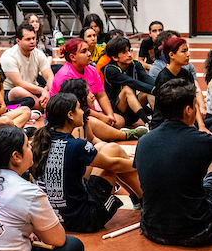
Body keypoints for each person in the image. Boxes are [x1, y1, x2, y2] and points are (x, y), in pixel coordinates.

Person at [135, 79, 212, 247]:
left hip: (152, 229)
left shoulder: (143, 141)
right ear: (188, 110)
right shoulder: (205, 141)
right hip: (199, 230)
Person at [32, 93, 140, 233]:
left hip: (53, 218)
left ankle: (139, 197)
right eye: (79, 108)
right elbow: (113, 165)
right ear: (70, 115)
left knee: (102, 149)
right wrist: (140, 162)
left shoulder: (39, 141)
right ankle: (145, 197)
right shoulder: (76, 145)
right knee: (112, 150)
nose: (83, 112)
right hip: (83, 220)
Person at [51, 38, 135, 137]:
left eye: (88, 50)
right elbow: (75, 108)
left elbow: (101, 95)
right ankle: (125, 136)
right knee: (88, 121)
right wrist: (101, 117)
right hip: (68, 117)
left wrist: (110, 115)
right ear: (72, 57)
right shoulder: (65, 76)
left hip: (89, 113)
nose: (89, 54)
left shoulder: (92, 70)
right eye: (84, 51)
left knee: (119, 120)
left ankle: (105, 133)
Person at [151, 36, 212, 137]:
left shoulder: (186, 74)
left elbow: (193, 100)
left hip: (187, 119)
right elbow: (166, 112)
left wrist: (201, 126)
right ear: (171, 55)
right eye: (184, 51)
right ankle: (203, 139)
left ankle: (205, 138)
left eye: (187, 51)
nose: (188, 54)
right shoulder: (163, 77)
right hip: (167, 123)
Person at [101, 36, 154, 127]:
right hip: (117, 111)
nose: (129, 54)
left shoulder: (135, 64)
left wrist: (159, 88)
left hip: (133, 109)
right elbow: (132, 82)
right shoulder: (110, 69)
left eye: (130, 51)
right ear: (115, 57)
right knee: (127, 89)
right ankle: (147, 123)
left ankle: (158, 119)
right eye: (125, 52)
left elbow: (146, 79)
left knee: (149, 92)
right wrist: (154, 89)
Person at [0, 24, 53, 108]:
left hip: (34, 89)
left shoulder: (38, 53)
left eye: (33, 38)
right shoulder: (9, 56)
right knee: (18, 91)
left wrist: (49, 92)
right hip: (12, 93)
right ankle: (45, 106)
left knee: (51, 85)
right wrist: (43, 91)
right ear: (18, 41)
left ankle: (43, 104)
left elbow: (49, 76)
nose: (32, 41)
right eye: (28, 39)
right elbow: (19, 83)